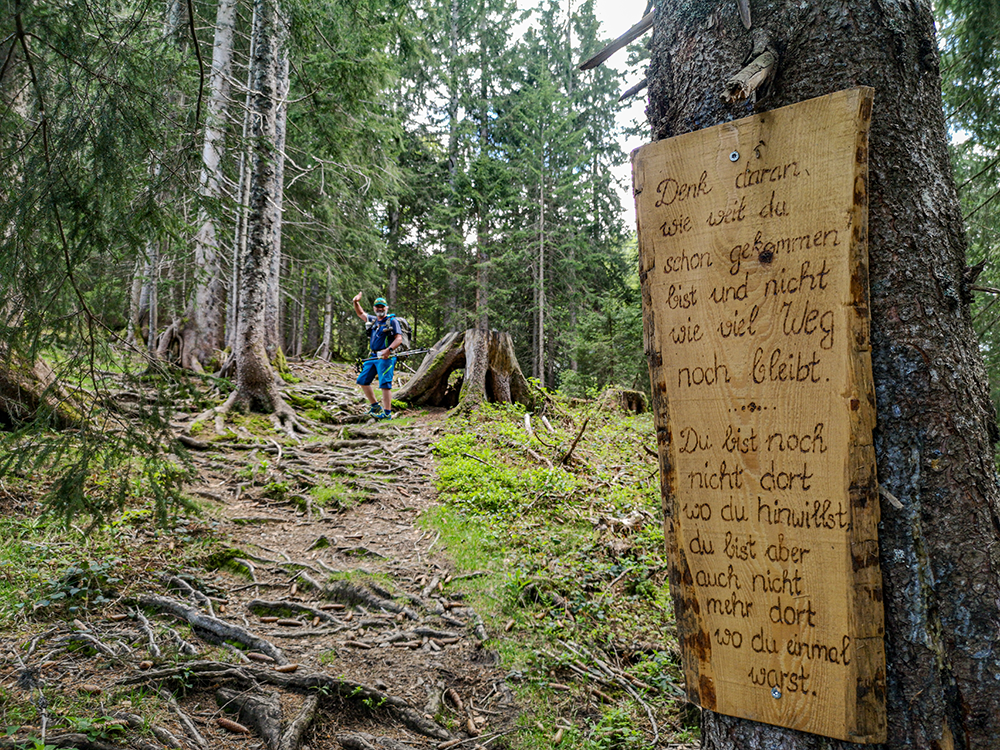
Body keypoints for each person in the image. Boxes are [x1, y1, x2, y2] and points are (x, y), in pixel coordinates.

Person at [353, 292, 403, 420]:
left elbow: (399, 339)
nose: (379, 309)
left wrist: (388, 350)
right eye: (377, 307)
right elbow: (360, 314)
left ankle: (387, 414)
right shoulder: (374, 320)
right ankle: (375, 406)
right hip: (373, 356)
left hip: (387, 356)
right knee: (363, 380)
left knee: (385, 384)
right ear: (374, 308)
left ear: (386, 308)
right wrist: (356, 302)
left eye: (382, 307)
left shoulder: (392, 321)